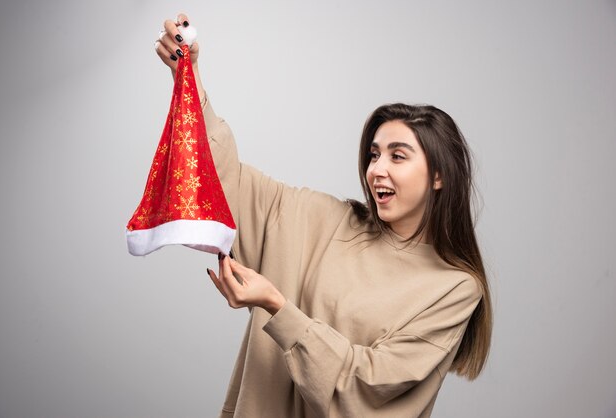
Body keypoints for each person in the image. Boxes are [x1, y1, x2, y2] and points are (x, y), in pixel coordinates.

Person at [155, 13, 492, 418]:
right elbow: (227, 182)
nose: (377, 169)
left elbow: (368, 390)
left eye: (397, 156)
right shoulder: (324, 220)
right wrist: (189, 80)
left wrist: (280, 308)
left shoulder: (453, 288)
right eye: (374, 154)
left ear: (438, 175)